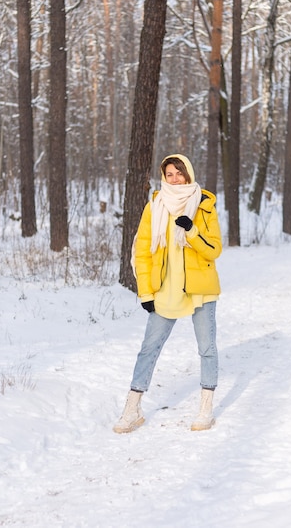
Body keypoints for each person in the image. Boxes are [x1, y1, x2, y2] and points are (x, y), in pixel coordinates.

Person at [114, 154, 222, 433]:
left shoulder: (204, 205)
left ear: (189, 173)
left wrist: (192, 231)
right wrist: (145, 292)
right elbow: (143, 252)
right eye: (169, 174)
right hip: (165, 289)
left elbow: (214, 250)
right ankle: (132, 408)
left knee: (207, 348)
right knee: (149, 348)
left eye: (179, 173)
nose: (175, 179)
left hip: (199, 289)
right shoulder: (155, 206)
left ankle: (205, 409)